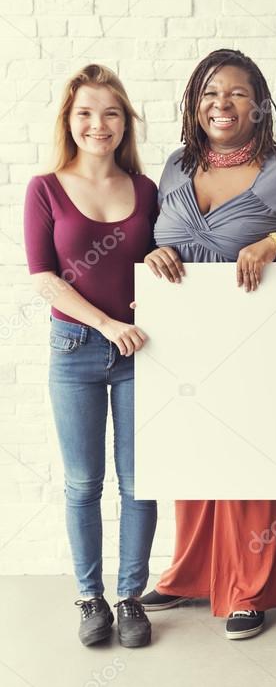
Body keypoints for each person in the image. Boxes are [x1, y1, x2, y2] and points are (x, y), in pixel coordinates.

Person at [139, 49, 276, 640]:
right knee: (197, 458)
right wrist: (158, 254)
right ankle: (191, 574)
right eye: (208, 93)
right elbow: (161, 238)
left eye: (235, 94)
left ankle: (250, 589)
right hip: (189, 341)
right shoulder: (178, 165)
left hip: (261, 341)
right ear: (193, 104)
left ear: (259, 106)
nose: (221, 104)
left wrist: (275, 243)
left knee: (253, 461)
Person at [24, 63, 158, 649]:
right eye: (85, 112)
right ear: (69, 120)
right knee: (84, 483)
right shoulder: (45, 189)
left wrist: (159, 267)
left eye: (109, 112)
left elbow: (163, 261)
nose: (97, 124)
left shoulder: (147, 189)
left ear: (124, 121)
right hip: (77, 348)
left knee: (139, 483)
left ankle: (130, 597)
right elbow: (44, 279)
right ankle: (89, 598)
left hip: (140, 354)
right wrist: (105, 322)